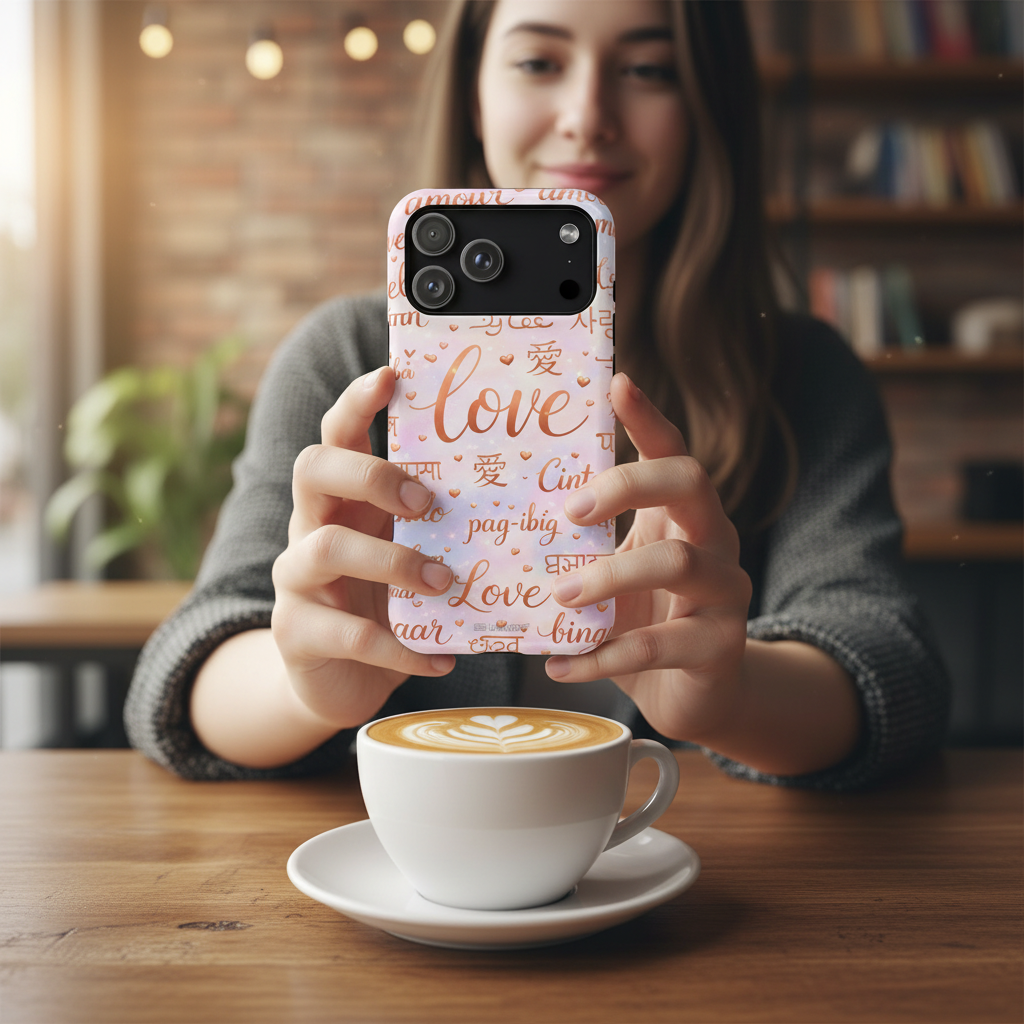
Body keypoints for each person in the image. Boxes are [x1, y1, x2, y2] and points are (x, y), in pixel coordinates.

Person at [125, 0, 948, 787]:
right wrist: (303, 681)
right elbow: (192, 658)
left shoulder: (802, 375)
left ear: (709, 104)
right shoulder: (347, 358)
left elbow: (888, 664)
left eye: (651, 69)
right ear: (474, 94)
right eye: (537, 60)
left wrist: (726, 692)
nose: (588, 114)